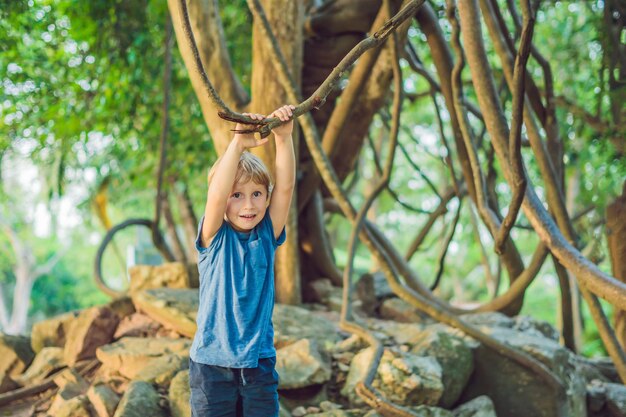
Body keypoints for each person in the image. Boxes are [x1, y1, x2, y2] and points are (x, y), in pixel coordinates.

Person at [189, 104, 296, 417]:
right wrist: (237, 143)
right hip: (211, 365)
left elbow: (286, 188)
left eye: (257, 194)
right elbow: (215, 196)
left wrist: (284, 138)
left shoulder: (266, 234)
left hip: (258, 363)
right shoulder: (213, 237)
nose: (248, 205)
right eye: (237, 195)